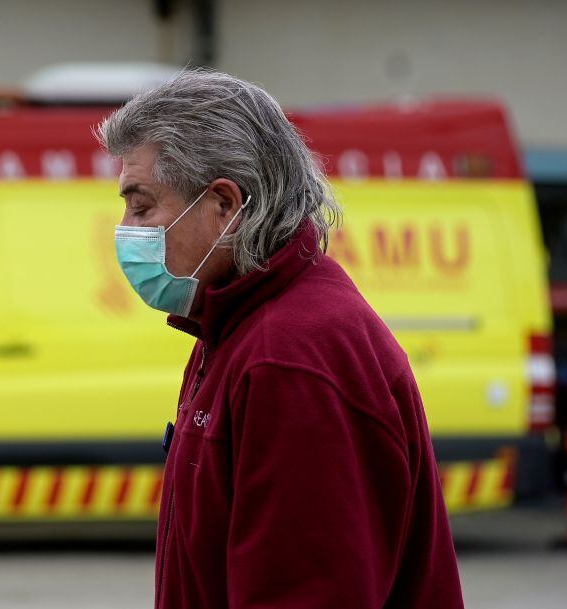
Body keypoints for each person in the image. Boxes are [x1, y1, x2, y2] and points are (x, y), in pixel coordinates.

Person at [96, 69, 465, 609]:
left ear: (224, 206)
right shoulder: (234, 326)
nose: (126, 228)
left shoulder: (289, 356)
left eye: (142, 204)